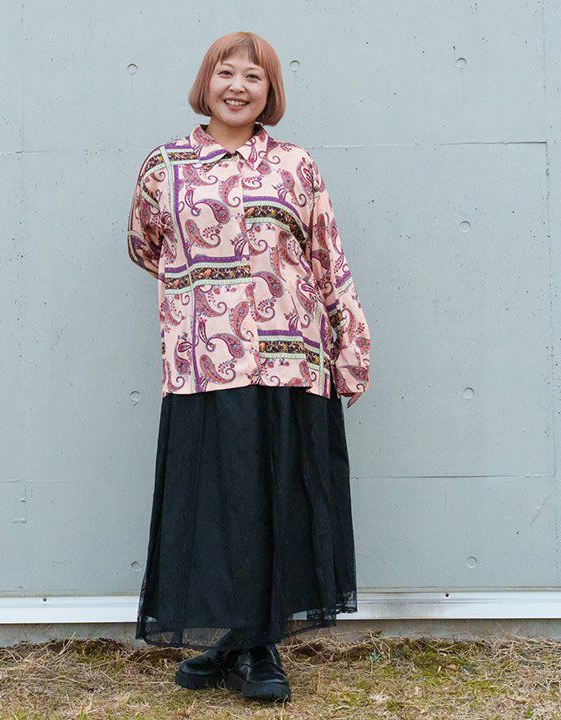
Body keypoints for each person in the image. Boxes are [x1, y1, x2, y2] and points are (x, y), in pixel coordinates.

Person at [127, 30, 371, 704]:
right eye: (226, 73)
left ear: (270, 92)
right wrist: (204, 293)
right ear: (206, 82)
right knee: (220, 503)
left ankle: (254, 646)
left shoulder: (295, 165)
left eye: (253, 77)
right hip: (205, 361)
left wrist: (350, 346)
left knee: (278, 500)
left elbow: (327, 258)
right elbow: (146, 246)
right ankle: (242, 641)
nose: (238, 86)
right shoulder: (164, 166)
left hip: (291, 359)